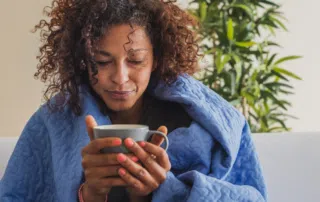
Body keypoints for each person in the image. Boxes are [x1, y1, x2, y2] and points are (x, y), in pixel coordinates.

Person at [0, 0, 267, 201]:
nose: (120, 77)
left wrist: (166, 190)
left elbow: (250, 197)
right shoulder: (55, 120)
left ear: (157, 59)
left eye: (136, 60)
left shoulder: (203, 123)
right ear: (83, 61)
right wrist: (89, 193)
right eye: (102, 62)